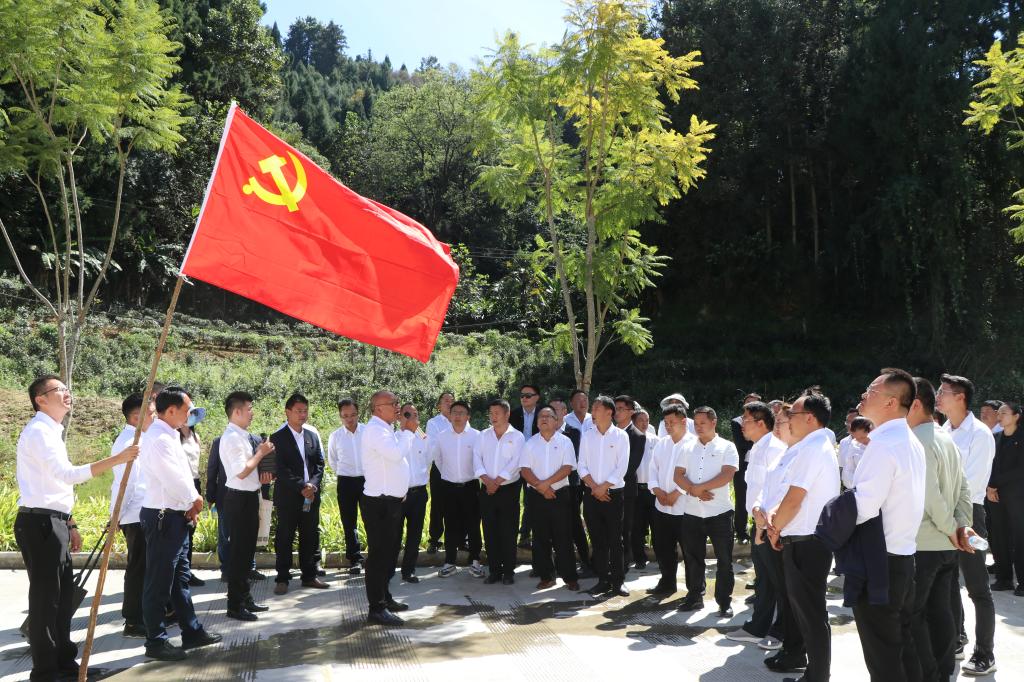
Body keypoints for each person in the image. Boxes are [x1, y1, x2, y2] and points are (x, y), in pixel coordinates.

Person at [15, 375, 140, 678]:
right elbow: (67, 475)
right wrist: (117, 459)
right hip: (39, 523)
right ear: (40, 399)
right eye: (59, 390)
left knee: (60, 600)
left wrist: (70, 523)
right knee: (46, 601)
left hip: (52, 520)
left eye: (66, 388)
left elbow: (55, 485)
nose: (67, 393)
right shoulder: (39, 432)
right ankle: (45, 672)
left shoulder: (51, 431)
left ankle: (64, 664)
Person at [849, 369, 926, 681]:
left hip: (879, 562)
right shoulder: (909, 440)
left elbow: (863, 506)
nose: (864, 395)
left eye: (871, 390)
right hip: (902, 557)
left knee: (883, 656)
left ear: (891, 402)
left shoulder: (883, 444)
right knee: (902, 646)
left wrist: (829, 519)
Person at [139, 386, 222, 661]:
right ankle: (155, 641)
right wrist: (193, 500)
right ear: (171, 410)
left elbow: (183, 474)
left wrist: (191, 503)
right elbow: (172, 479)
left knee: (179, 580)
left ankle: (192, 630)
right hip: (163, 516)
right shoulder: (158, 439)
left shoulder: (170, 434)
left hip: (176, 515)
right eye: (187, 410)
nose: (190, 414)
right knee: (159, 583)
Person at [764, 389, 840, 682]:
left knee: (812, 615)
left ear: (810, 418)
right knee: (808, 614)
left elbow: (795, 499)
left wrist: (776, 528)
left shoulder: (812, 448)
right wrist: (777, 521)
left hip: (807, 542)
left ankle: (817, 676)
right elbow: (790, 497)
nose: (787, 419)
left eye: (793, 414)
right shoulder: (813, 446)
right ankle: (814, 673)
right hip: (805, 539)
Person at [905, 377, 974, 682]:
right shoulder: (945, 436)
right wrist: (961, 526)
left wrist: (951, 529)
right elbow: (964, 487)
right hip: (947, 544)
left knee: (914, 615)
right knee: (941, 611)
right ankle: (943, 672)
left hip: (926, 543)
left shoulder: (917, 440)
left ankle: (930, 675)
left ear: (915, 404)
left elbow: (930, 494)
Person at [936, 373, 997, 675]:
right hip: (944, 514)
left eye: (943, 391)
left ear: (960, 397)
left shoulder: (980, 434)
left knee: (977, 588)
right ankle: (957, 638)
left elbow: (970, 483)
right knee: (947, 583)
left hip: (970, 514)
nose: (938, 396)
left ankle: (985, 652)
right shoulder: (943, 430)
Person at [728, 400, 787, 647]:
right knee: (764, 579)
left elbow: (778, 489)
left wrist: (765, 524)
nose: (741, 424)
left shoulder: (774, 448)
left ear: (761, 423)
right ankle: (758, 627)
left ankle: (782, 631)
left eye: (746, 420)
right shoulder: (757, 448)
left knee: (779, 581)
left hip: (770, 523)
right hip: (759, 521)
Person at [675, 406, 739, 617]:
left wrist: (699, 488)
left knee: (724, 560)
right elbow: (678, 475)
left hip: (719, 513)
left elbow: (727, 475)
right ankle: (695, 597)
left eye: (702, 423)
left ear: (714, 422)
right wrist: (694, 490)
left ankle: (724, 601)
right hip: (692, 512)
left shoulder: (727, 446)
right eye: (696, 423)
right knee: (693, 558)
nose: (698, 427)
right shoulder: (687, 447)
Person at [218, 391, 276, 621]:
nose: (252, 413)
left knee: (246, 553)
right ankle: (234, 605)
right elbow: (241, 472)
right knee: (238, 555)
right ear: (237, 411)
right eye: (249, 409)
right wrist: (261, 453)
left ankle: (245, 598)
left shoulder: (241, 435)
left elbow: (250, 470)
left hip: (249, 497)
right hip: (238, 500)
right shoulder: (232, 437)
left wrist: (263, 471)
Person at [359, 390, 410, 625]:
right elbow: (396, 454)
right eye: (393, 403)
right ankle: (376, 608)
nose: (398, 406)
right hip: (379, 503)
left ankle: (385, 598)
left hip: (391, 502)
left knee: (389, 554)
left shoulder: (386, 429)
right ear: (379, 408)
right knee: (379, 556)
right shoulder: (375, 430)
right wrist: (408, 431)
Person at [270, 393, 328, 594]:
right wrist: (302, 486)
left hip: (311, 495)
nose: (303, 415)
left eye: (305, 411)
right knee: (285, 537)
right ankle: (282, 578)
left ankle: (309, 575)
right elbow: (280, 469)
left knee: (309, 535)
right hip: (289, 496)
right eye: (298, 411)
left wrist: (312, 485)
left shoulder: (311, 435)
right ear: (287, 412)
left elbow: (319, 463)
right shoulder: (277, 438)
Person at [109, 392, 155, 638]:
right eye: (151, 413)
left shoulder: (141, 439)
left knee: (145, 568)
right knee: (138, 568)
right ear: (136, 417)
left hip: (142, 512)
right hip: (135, 515)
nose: (155, 417)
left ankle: (144, 615)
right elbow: (124, 483)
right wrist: (115, 516)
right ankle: (133, 620)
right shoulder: (129, 443)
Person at [520, 404, 580, 590]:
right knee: (540, 537)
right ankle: (546, 576)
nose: (544, 419)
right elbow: (525, 469)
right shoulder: (530, 443)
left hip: (559, 494)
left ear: (556, 421)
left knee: (564, 536)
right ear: (537, 422)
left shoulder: (565, 442)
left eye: (548, 416)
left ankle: (569, 577)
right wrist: (541, 487)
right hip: (537, 495)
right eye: (541, 417)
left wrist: (546, 484)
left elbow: (567, 467)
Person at [578, 395, 630, 597]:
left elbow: (621, 467)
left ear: (609, 412)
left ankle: (618, 581)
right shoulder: (587, 436)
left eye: (596, 408)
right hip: (592, 494)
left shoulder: (620, 436)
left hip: (613, 495)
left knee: (615, 540)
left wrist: (604, 487)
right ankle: (602, 579)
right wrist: (595, 487)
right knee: (598, 540)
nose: (593, 412)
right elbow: (581, 465)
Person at [475, 398, 525, 584]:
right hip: (487, 489)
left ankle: (509, 572)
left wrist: (497, 481)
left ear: (507, 414)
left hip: (508, 490)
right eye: (491, 413)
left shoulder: (517, 436)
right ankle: (494, 570)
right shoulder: (483, 435)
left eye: (497, 413)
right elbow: (476, 458)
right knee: (490, 530)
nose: (493, 416)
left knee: (508, 531)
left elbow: (516, 462)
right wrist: (487, 481)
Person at [646, 404, 694, 598]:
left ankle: (694, 591)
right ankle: (667, 583)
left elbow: (693, 475)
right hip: (662, 506)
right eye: (665, 422)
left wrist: (676, 493)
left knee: (690, 551)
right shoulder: (661, 443)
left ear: (684, 421)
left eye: (672, 422)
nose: (668, 426)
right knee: (663, 548)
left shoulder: (694, 444)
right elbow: (652, 470)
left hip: (685, 508)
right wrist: (657, 491)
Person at [433, 400, 485, 577]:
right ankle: (450, 562)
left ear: (468, 416)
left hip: (470, 486)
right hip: (449, 487)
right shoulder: (442, 436)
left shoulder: (477, 436)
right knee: (450, 525)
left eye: (461, 412)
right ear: (449, 415)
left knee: (473, 525)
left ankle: (475, 561)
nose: (457, 416)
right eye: (454, 412)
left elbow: (481, 460)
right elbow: (438, 460)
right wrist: (449, 475)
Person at [551, 397, 590, 573]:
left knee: (574, 524)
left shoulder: (573, 432)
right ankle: (558, 564)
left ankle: (585, 562)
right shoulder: (543, 433)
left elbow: (572, 460)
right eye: (550, 409)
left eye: (557, 410)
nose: (552, 413)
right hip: (549, 487)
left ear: (565, 412)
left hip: (571, 485)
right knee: (554, 526)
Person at [988, 401, 1024, 595]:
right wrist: (989, 486)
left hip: (1018, 496)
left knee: (1020, 538)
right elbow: (989, 465)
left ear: (1016, 416)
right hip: (996, 495)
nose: (999, 416)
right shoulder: (995, 438)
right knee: (999, 536)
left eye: (1004, 413)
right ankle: (1004, 579)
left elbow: (1020, 470)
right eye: (998, 413)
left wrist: (995, 483)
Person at [327, 397, 366, 575]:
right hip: (346, 482)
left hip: (368, 481)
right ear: (340, 416)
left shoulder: (367, 432)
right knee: (349, 522)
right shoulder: (335, 436)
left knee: (371, 519)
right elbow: (333, 460)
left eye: (353, 415)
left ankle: (376, 557)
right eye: (345, 416)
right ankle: (355, 559)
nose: (349, 419)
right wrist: (344, 473)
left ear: (358, 414)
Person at [397, 402, 430, 583]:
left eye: (415, 414)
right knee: (394, 534)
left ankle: (408, 570)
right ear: (399, 417)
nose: (412, 418)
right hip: (399, 494)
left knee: (415, 534)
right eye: (407, 414)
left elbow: (430, 459)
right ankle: (388, 570)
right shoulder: (394, 438)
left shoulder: (423, 438)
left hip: (419, 493)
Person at [614, 395, 646, 572]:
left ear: (631, 412)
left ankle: (623, 566)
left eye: (621, 409)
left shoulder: (637, 436)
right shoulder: (608, 432)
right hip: (604, 489)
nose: (616, 412)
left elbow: (630, 466)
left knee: (624, 529)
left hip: (625, 490)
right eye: (615, 408)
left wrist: (609, 481)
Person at [511, 383, 542, 548]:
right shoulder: (512, 414)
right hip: (515, 464)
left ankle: (527, 535)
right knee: (513, 500)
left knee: (532, 500)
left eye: (528, 395)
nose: (524, 398)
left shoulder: (544, 414)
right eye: (522, 395)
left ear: (537, 397)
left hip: (536, 464)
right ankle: (513, 536)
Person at [177, 413, 206, 588]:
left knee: (191, 529)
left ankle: (186, 571)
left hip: (195, 482)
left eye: (193, 413)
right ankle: (181, 572)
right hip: (182, 484)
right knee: (182, 528)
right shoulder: (174, 436)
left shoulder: (196, 436)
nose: (190, 416)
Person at [730, 393, 761, 543]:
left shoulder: (765, 421)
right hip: (743, 466)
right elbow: (741, 444)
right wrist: (756, 440)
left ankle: (758, 528)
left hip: (760, 465)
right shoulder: (737, 422)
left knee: (760, 497)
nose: (751, 406)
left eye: (755, 403)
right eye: (748, 403)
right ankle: (741, 532)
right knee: (741, 499)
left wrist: (750, 439)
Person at [426, 391, 454, 554]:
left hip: (457, 467)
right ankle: (435, 539)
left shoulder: (460, 419)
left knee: (457, 504)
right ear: (439, 405)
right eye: (446, 401)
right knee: (437, 505)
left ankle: (459, 539)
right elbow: (434, 446)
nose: (449, 403)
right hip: (438, 467)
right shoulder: (433, 423)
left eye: (452, 400)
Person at [631, 409, 657, 569]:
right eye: (641, 420)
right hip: (636, 490)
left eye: (647, 420)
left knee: (657, 526)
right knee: (637, 526)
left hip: (653, 490)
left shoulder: (656, 440)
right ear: (633, 422)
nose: (644, 423)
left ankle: (661, 557)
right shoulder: (628, 438)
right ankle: (639, 558)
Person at [841, 417, 873, 490]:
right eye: (857, 438)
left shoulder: (879, 445)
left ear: (871, 431)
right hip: (857, 488)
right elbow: (848, 470)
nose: (861, 441)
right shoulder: (854, 445)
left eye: (863, 437)